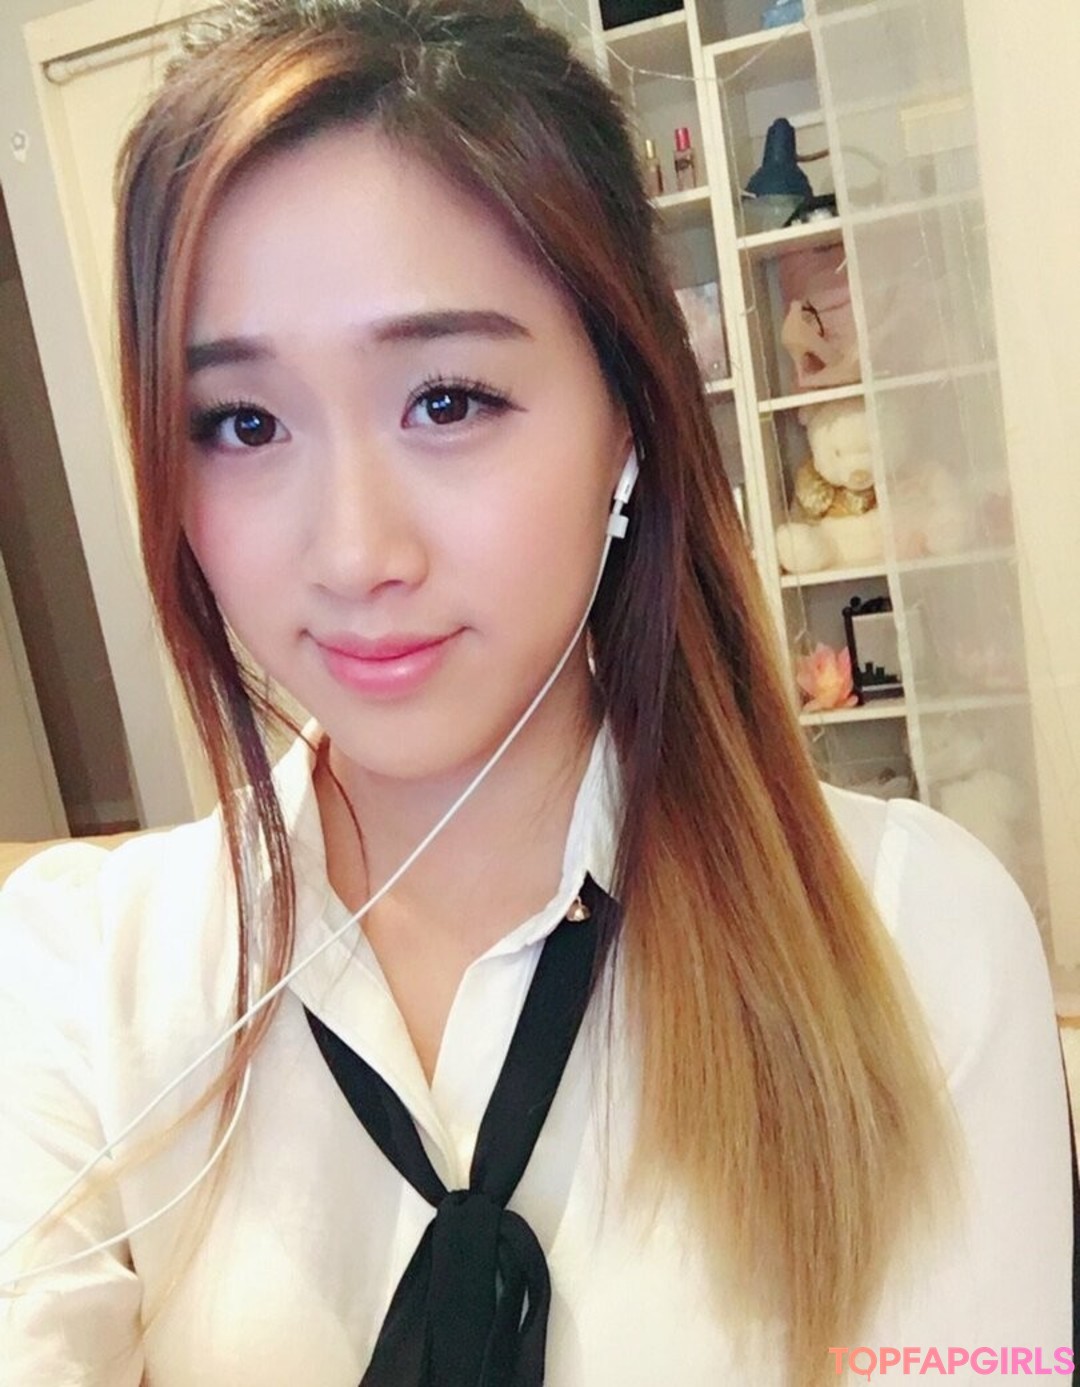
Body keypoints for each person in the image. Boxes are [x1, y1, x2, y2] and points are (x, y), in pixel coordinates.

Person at [0, 1, 1072, 1383]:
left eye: (447, 400)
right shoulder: (80, 983)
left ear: (628, 416)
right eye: (243, 424)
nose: (355, 553)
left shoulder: (913, 943)